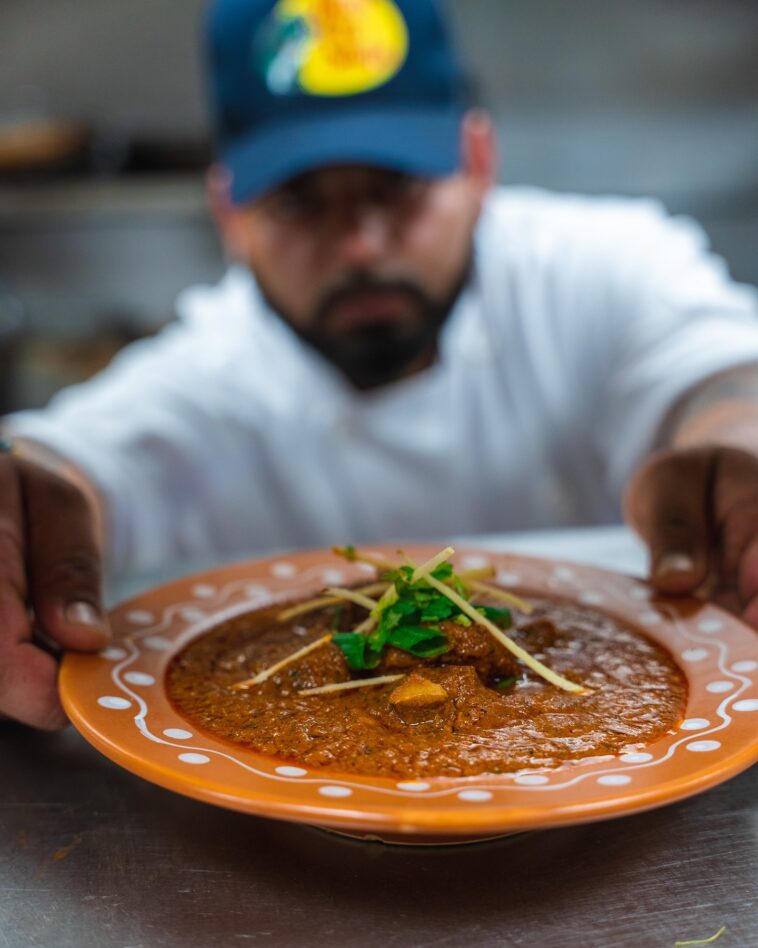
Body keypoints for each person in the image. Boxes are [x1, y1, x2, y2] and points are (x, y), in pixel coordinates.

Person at [1, 0, 758, 731]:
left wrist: (736, 441)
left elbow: (724, 371)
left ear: (479, 162)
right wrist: (24, 505)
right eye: (300, 200)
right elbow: (72, 465)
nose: (361, 246)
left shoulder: (602, 269)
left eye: (397, 185)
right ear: (230, 213)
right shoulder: (209, 371)